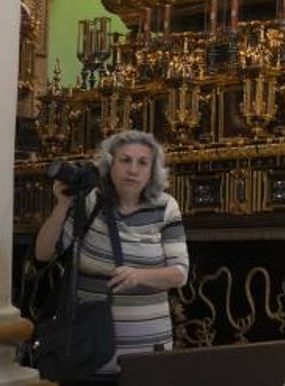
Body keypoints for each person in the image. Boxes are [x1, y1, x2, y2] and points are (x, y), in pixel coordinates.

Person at [33, 130, 190, 385]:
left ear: (152, 171)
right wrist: (62, 205)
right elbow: (43, 253)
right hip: (89, 350)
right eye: (125, 160)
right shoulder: (89, 202)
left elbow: (180, 273)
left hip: (147, 352)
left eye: (142, 163)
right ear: (109, 165)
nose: (133, 170)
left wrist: (139, 276)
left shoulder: (165, 206)